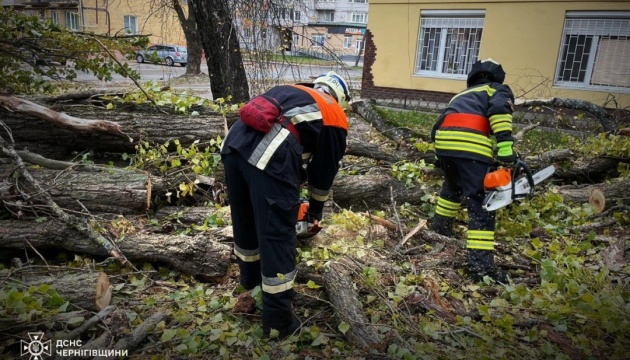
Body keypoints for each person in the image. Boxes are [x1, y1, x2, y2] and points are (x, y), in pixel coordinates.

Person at [220, 71, 350, 339]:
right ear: (340, 98)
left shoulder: (294, 90)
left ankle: (251, 286)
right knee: (277, 237)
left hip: (233, 146)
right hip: (269, 155)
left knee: (246, 224)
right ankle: (279, 322)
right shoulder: (334, 113)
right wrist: (314, 210)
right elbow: (323, 172)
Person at [430, 58, 516, 283]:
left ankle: (439, 230)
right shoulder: (497, 90)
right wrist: (505, 147)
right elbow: (499, 110)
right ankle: (480, 269)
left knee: (452, 188)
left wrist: (441, 155)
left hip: (444, 144)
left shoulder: (459, 96)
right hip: (471, 148)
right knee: (481, 204)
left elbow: (437, 126)